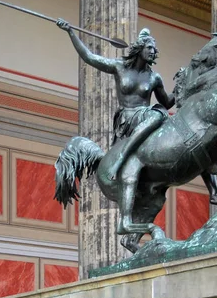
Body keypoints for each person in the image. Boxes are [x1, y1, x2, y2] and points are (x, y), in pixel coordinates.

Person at [56, 19, 173, 180]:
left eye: (154, 48)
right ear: (140, 49)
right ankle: (121, 158)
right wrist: (70, 32)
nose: (153, 51)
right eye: (149, 48)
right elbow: (89, 57)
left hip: (144, 117)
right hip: (125, 121)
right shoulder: (120, 67)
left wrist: (183, 88)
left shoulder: (154, 77)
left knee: (158, 114)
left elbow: (167, 102)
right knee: (156, 116)